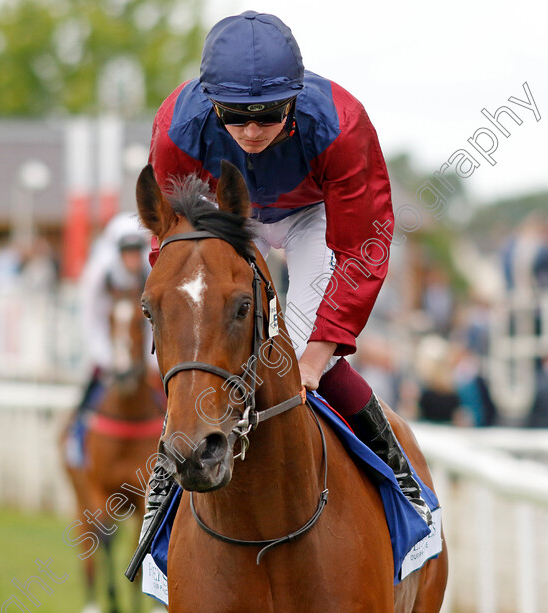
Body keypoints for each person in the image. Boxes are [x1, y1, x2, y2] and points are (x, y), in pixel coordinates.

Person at [138, 10, 432, 549]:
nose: (251, 131)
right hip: (222, 210)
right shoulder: (176, 128)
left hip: (313, 215)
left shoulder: (342, 125)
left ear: (295, 98)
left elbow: (361, 249)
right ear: (211, 101)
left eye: (269, 114)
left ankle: (400, 476)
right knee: (202, 336)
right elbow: (170, 243)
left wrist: (318, 355)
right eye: (235, 115)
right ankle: (163, 486)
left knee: (295, 353)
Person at [64, 213, 153, 467]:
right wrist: (104, 358)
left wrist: (151, 360)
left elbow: (156, 321)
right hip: (106, 338)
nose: (134, 258)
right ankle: (77, 436)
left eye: (138, 251)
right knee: (93, 385)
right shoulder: (97, 275)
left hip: (141, 343)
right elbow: (91, 319)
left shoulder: (151, 270)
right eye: (128, 252)